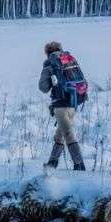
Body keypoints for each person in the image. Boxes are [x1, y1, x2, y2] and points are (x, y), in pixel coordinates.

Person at [38, 41, 86, 171]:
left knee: (68, 133)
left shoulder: (50, 65)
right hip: (74, 102)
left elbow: (43, 88)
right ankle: (52, 163)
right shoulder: (69, 60)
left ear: (48, 53)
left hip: (60, 105)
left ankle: (79, 165)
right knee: (60, 133)